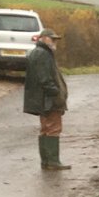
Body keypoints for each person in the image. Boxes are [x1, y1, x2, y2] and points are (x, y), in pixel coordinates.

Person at [23, 27, 70, 170]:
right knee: (53, 128)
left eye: (55, 39)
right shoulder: (43, 54)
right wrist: (55, 92)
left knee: (45, 129)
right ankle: (53, 162)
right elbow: (45, 79)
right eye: (52, 38)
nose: (54, 41)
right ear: (42, 38)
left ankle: (46, 161)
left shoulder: (37, 53)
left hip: (42, 98)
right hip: (48, 99)